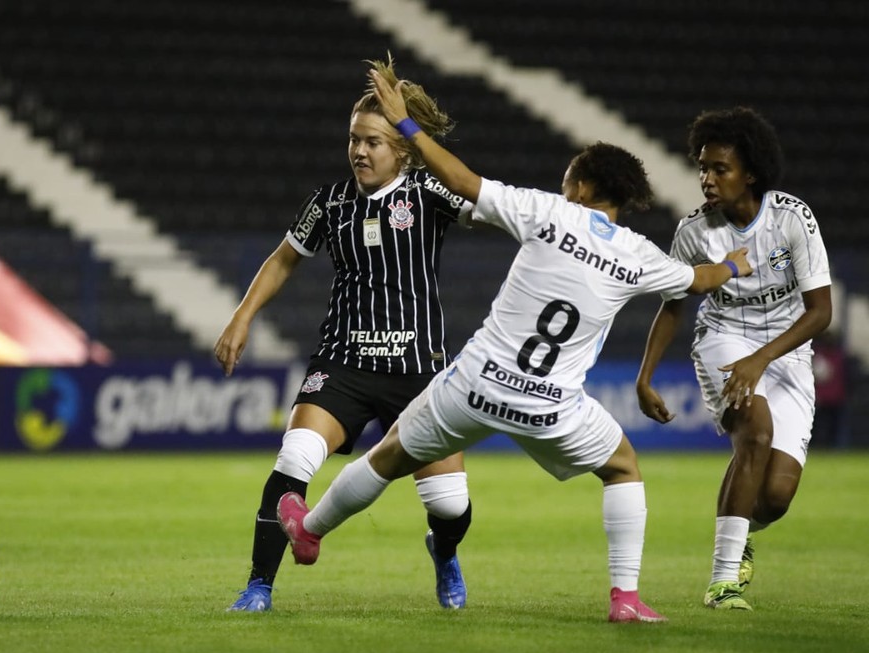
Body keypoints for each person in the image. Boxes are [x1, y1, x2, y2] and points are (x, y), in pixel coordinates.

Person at [277, 66, 753, 623]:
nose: (562, 187)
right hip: (551, 405)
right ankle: (625, 598)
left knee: (387, 457)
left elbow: (460, 180)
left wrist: (406, 124)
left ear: (582, 188)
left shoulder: (545, 212)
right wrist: (731, 265)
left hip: (475, 384)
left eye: (568, 179)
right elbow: (696, 281)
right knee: (623, 467)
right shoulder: (638, 254)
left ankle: (310, 530)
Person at [215, 57, 475, 612]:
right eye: (354, 139)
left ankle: (443, 550)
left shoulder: (430, 191)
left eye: (373, 142)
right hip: (344, 363)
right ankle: (258, 586)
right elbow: (283, 259)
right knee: (294, 459)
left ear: (401, 150)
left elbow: (483, 203)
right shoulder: (329, 203)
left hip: (418, 370)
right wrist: (242, 316)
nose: (359, 151)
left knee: (451, 506)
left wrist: (415, 132)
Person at [635, 107, 832, 610]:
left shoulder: (792, 219)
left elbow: (820, 312)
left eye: (719, 168)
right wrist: (645, 377)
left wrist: (762, 359)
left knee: (776, 497)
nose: (706, 178)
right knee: (756, 433)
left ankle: (740, 531)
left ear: (750, 173)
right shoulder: (695, 232)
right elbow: (673, 306)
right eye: (702, 167)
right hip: (723, 338)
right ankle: (723, 582)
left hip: (787, 350)